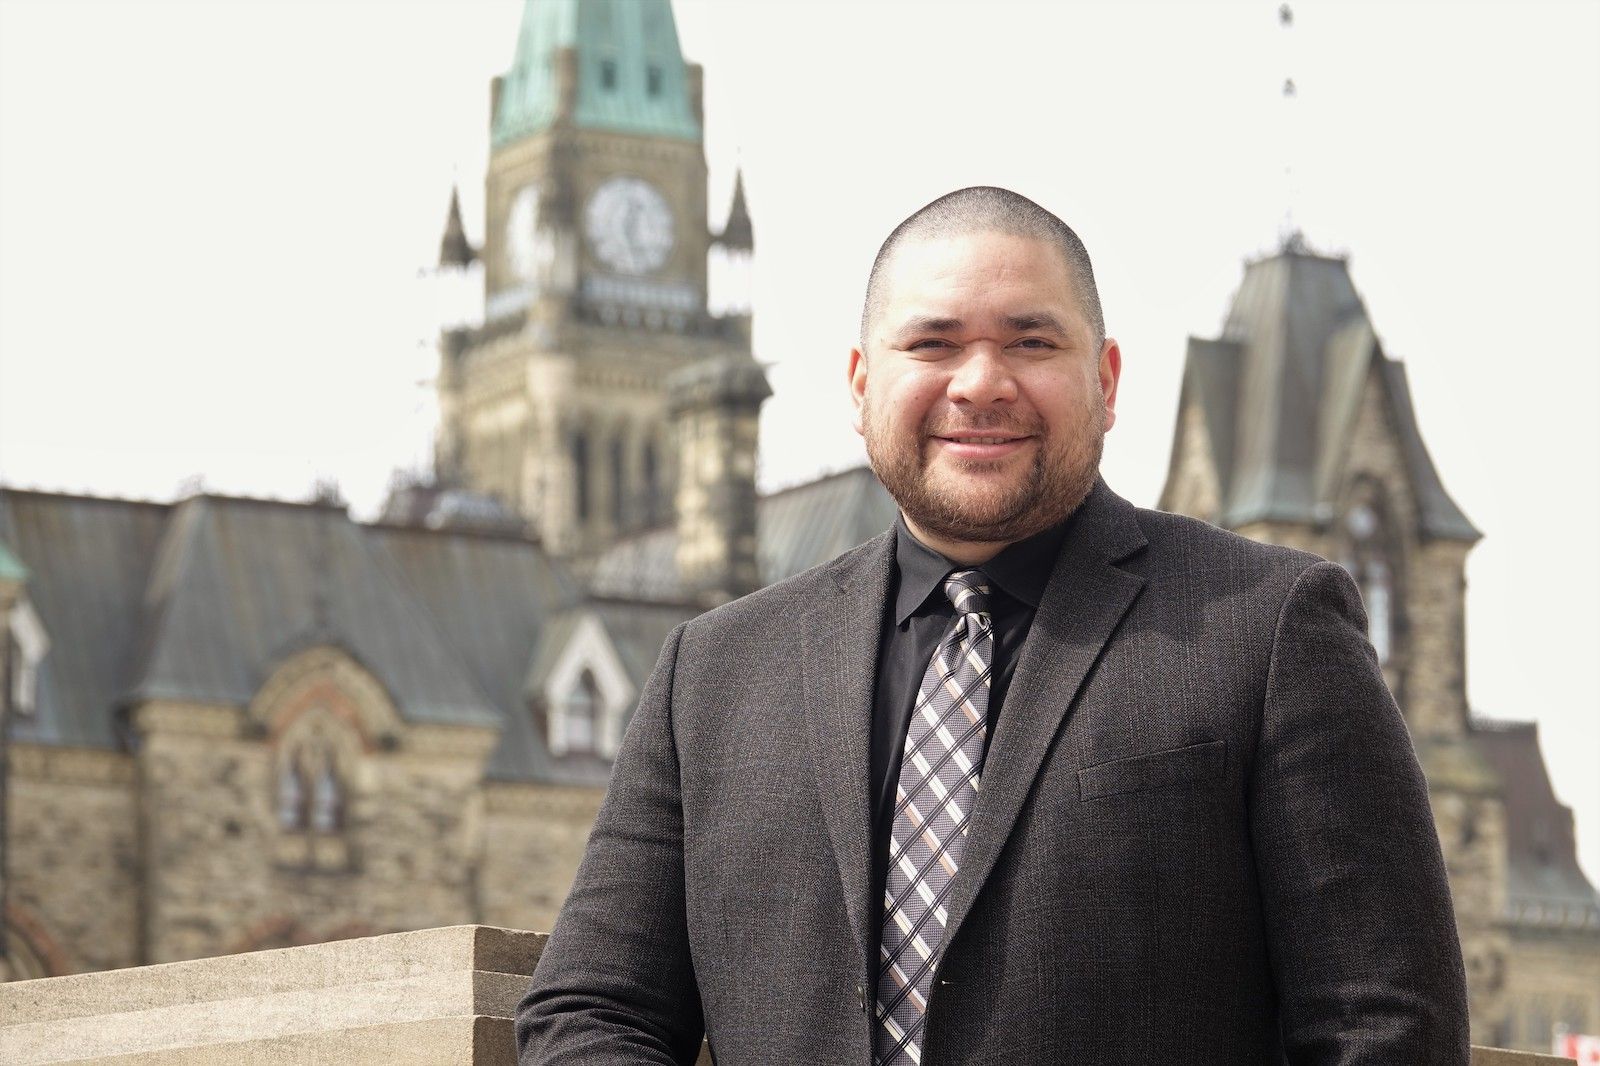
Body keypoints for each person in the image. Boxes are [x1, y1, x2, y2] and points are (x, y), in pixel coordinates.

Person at [516, 187, 1469, 1065]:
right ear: (859, 385)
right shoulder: (714, 673)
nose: (980, 382)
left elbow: (1381, 1025)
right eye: (932, 344)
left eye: (1031, 343)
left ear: (1106, 379)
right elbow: (594, 1010)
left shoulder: (1268, 629)